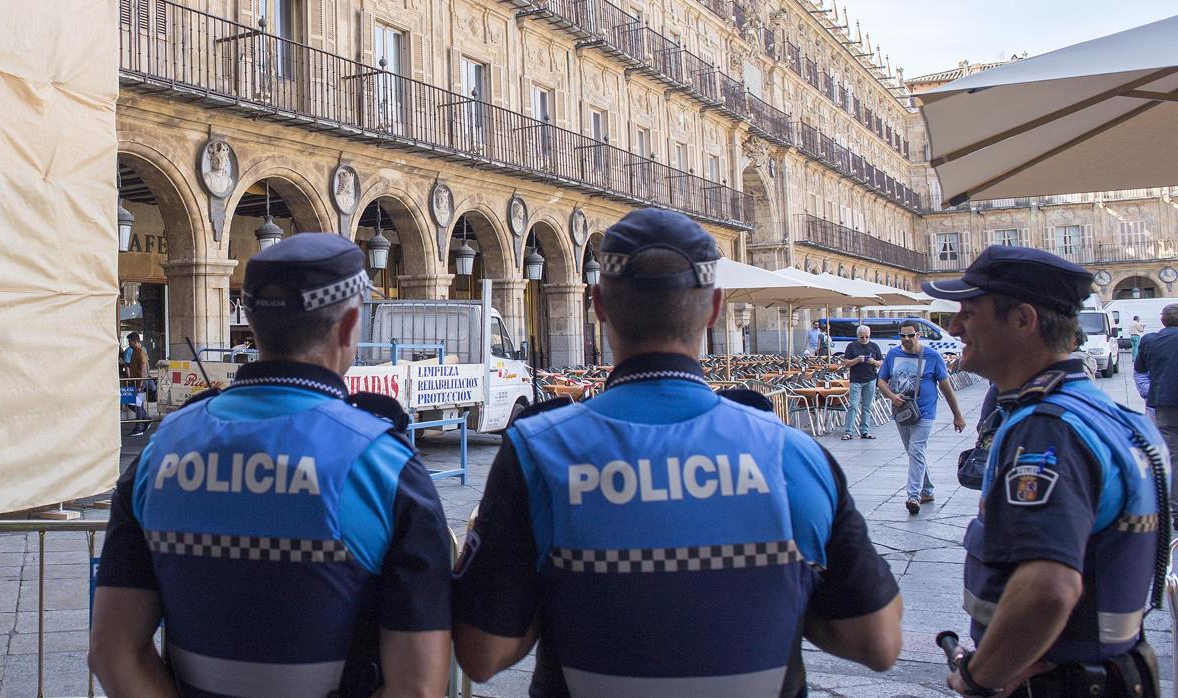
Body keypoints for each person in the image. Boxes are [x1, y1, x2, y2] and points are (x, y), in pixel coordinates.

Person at [452, 208, 902, 697]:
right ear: (713, 308)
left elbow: (481, 653)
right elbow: (877, 640)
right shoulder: (792, 455)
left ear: (599, 304)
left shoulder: (540, 452)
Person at [90, 234, 453, 698]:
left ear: (255, 324)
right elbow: (418, 688)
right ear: (348, 326)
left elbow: (112, 651)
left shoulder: (160, 452)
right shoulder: (383, 463)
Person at [924, 246, 1169, 698]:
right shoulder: (1116, 417)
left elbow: (1048, 588)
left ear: (1023, 320)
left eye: (969, 312)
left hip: (1058, 681)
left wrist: (981, 677)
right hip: (1112, 671)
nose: (955, 327)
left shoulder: (1048, 431)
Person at [877, 319, 967, 514]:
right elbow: (881, 381)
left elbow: (946, 387)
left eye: (911, 335)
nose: (907, 339)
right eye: (903, 335)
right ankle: (927, 490)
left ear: (918, 335)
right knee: (913, 453)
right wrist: (892, 396)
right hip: (901, 412)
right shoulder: (893, 354)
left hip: (925, 412)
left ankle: (913, 496)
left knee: (916, 450)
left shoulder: (932, 356)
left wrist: (957, 415)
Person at [1135, 303, 1178, 469]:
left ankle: (1172, 494)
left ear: (1163, 320)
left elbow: (1140, 370)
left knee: (1171, 452)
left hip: (1163, 403)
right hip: (1163, 401)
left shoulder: (1150, 341)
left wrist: (1148, 391)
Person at [842, 324, 883, 440]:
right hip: (855, 379)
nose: (864, 339)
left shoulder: (874, 346)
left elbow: (881, 363)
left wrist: (873, 361)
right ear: (857, 336)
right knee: (853, 405)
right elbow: (845, 363)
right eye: (861, 337)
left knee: (867, 406)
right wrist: (857, 360)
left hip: (870, 378)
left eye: (866, 337)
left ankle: (865, 431)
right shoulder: (851, 346)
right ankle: (848, 431)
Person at [123, 332, 150, 436]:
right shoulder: (135, 351)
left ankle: (139, 428)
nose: (129, 344)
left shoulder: (141, 353)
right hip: (136, 381)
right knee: (132, 403)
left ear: (135, 341)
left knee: (137, 405)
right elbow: (134, 366)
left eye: (130, 342)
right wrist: (124, 363)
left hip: (139, 383)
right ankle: (146, 419)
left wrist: (139, 385)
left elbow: (143, 370)